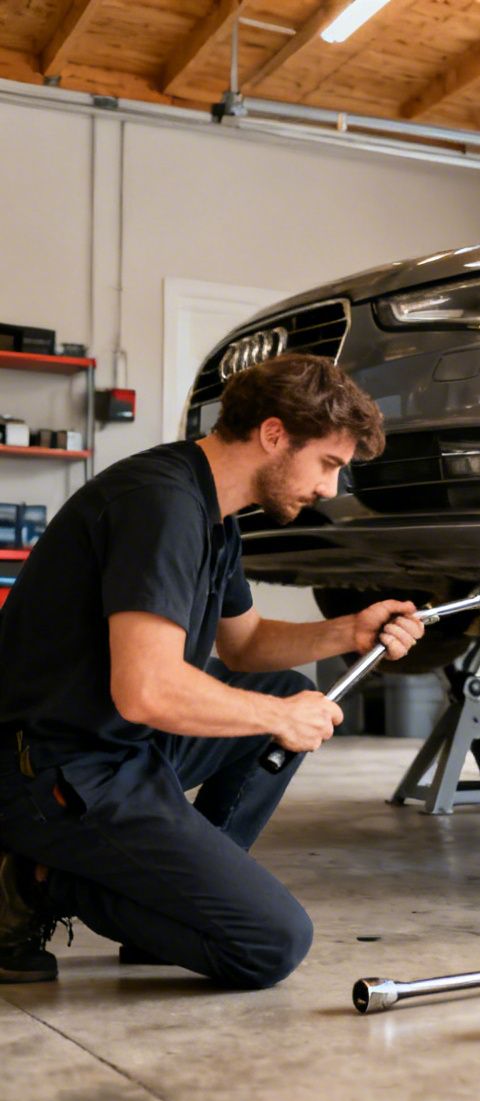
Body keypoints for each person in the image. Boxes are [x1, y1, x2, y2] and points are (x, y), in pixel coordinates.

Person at [0, 354, 424, 987]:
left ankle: (171, 912)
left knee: (284, 688)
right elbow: (146, 689)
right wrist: (281, 717)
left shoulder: (211, 515)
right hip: (54, 770)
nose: (330, 488)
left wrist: (349, 631)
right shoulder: (161, 505)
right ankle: (36, 881)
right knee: (269, 944)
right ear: (275, 435)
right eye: (329, 464)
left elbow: (246, 646)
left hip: (117, 744)